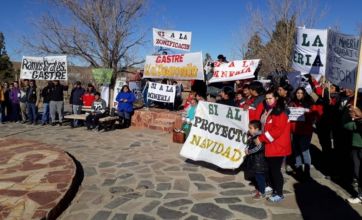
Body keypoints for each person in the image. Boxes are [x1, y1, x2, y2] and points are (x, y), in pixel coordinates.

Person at [255, 89, 291, 202]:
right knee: (270, 169)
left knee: (275, 171)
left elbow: (277, 130)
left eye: (270, 98)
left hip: (278, 146)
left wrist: (261, 138)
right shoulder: (270, 110)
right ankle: (271, 187)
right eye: (266, 98)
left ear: (276, 98)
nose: (268, 100)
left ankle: (279, 193)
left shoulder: (279, 111)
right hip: (271, 145)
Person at [289, 87, 321, 180]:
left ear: (304, 94)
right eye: (297, 93)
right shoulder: (292, 103)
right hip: (295, 130)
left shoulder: (310, 104)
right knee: (296, 150)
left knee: (304, 150)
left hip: (305, 131)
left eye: (301, 93)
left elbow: (316, 116)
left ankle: (307, 171)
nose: (299, 94)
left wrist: (308, 114)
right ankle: (299, 169)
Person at [244, 120, 268, 199]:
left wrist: (249, 151)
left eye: (251, 128)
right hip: (255, 161)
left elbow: (260, 147)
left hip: (259, 161)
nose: (249, 130)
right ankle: (258, 189)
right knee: (256, 176)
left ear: (257, 129)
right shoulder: (253, 136)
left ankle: (262, 192)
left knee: (259, 177)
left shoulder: (259, 136)